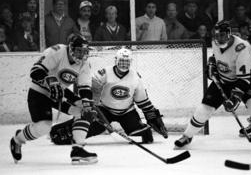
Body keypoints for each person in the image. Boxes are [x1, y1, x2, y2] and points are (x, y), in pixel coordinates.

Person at [174, 20, 251, 149]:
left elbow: (244, 79)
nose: (219, 38)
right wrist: (212, 64)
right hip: (223, 80)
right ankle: (187, 136)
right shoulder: (215, 42)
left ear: (229, 34)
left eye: (222, 35)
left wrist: (235, 99)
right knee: (204, 109)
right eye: (217, 35)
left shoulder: (242, 47)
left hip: (244, 80)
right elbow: (216, 56)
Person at [49, 48, 168, 145]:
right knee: (95, 127)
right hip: (105, 109)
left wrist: (152, 116)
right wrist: (93, 105)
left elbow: (143, 101)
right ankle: (66, 130)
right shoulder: (105, 72)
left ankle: (139, 129)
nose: (124, 64)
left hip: (127, 111)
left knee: (143, 134)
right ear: (116, 60)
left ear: (130, 62)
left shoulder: (135, 77)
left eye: (126, 62)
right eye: (121, 61)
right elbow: (91, 87)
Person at [9, 35, 98, 165]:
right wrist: (51, 81)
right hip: (40, 92)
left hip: (58, 94)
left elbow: (85, 88)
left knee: (83, 110)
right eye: (79, 51)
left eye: (85, 52)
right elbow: (35, 71)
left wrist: (86, 102)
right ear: (71, 48)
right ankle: (17, 139)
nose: (82, 55)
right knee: (43, 127)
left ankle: (77, 149)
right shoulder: (57, 51)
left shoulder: (85, 63)